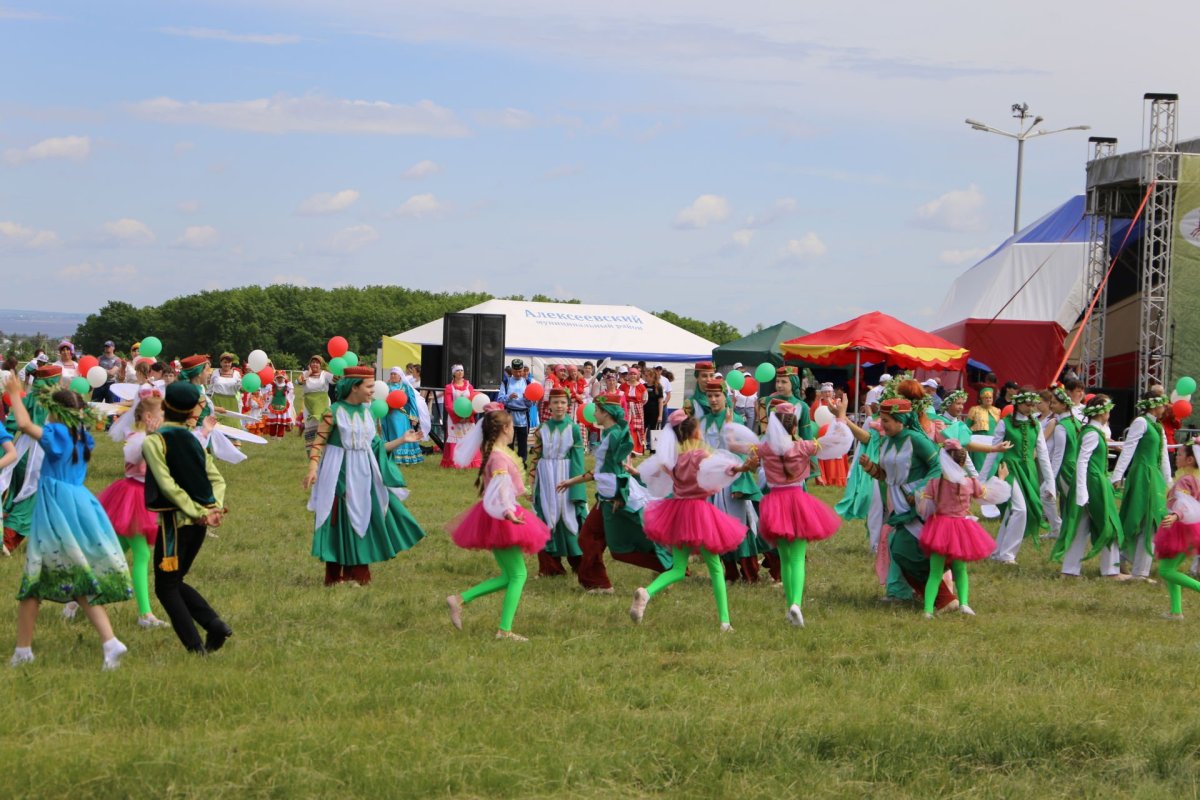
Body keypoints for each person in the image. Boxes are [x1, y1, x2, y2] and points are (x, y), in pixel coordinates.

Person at [5, 373, 132, 669]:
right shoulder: (82, 436)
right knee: (74, 578)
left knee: (36, 577)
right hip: (76, 504)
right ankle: (109, 643)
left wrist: (14, 394)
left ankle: (24, 652)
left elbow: (24, 425)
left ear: (56, 412)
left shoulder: (59, 435)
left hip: (57, 509)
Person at [630, 410, 759, 632]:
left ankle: (647, 592)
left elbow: (656, 474)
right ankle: (725, 622)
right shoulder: (699, 454)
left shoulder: (675, 458)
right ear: (695, 433)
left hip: (678, 513)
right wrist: (742, 468)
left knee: (679, 569)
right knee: (716, 568)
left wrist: (634, 470)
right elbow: (721, 468)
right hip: (699, 513)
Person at [304, 366, 427, 587]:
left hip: (364, 472)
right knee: (338, 519)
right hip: (337, 470)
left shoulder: (368, 412)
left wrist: (402, 440)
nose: (373, 391)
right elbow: (318, 443)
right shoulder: (333, 411)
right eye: (369, 386)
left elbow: (376, 447)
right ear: (355, 387)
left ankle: (358, 573)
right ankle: (334, 575)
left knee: (363, 517)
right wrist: (313, 468)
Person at [446, 405, 551, 642]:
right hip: (501, 516)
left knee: (510, 575)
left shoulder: (496, 452)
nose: (514, 430)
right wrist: (508, 512)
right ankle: (504, 630)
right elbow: (500, 487)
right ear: (505, 428)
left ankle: (460, 600)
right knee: (518, 576)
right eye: (512, 426)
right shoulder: (498, 457)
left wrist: (523, 493)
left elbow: (507, 485)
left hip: (498, 513)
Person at [559, 392, 670, 593]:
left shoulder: (615, 435)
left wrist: (618, 495)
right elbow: (602, 470)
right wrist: (572, 481)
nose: (594, 413)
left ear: (606, 412)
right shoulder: (610, 434)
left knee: (620, 548)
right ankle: (597, 583)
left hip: (613, 498)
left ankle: (668, 567)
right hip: (607, 497)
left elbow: (616, 471)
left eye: (598, 410)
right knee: (591, 539)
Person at [859, 396, 959, 613]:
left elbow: (937, 466)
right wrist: (870, 468)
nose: (882, 425)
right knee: (903, 549)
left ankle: (943, 597)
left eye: (886, 420)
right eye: (881, 420)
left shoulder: (916, 439)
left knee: (905, 549)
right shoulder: (887, 441)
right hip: (899, 502)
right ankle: (939, 597)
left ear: (900, 420)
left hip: (920, 504)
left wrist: (921, 490)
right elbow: (889, 476)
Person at [757, 403, 841, 626]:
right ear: (794, 428)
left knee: (784, 557)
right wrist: (840, 417)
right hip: (797, 501)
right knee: (797, 558)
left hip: (774, 503)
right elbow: (835, 440)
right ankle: (796, 604)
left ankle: (789, 607)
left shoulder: (766, 449)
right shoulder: (804, 446)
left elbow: (743, 448)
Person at [97, 391, 169, 629]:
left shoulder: (149, 435)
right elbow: (134, 455)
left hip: (142, 497)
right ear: (148, 416)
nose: (164, 419)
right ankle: (145, 614)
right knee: (142, 555)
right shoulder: (137, 437)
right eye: (161, 415)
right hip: (133, 497)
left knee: (114, 552)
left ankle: (80, 597)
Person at [916, 440, 1010, 619]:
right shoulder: (969, 483)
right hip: (961, 528)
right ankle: (964, 603)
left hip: (940, 529)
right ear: (962, 462)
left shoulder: (935, 483)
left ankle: (928, 610)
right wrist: (1001, 478)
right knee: (960, 570)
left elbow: (924, 508)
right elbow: (987, 496)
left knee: (935, 572)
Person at [1052, 395, 1126, 579]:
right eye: (1108, 409)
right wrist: (1083, 491)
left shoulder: (1094, 431)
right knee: (1109, 524)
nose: (1109, 413)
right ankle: (1111, 571)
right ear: (1102, 413)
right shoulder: (1092, 433)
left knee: (1081, 526)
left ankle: (1069, 570)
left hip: (1093, 481)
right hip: (1093, 483)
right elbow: (1082, 461)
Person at [980, 387, 1056, 565]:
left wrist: (1050, 483)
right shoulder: (1004, 423)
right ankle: (1007, 555)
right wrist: (980, 480)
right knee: (1020, 509)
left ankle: (998, 551)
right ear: (1017, 403)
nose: (1030, 407)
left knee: (1013, 512)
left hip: (1028, 471)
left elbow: (1043, 455)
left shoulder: (1035, 424)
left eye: (1032, 404)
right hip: (1009, 469)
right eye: (1026, 404)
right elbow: (992, 452)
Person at [698, 379, 764, 582]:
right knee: (717, 526)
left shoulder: (735, 419)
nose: (713, 400)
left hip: (733, 477)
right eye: (709, 396)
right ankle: (730, 572)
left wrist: (740, 482)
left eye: (717, 395)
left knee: (739, 523)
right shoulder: (704, 421)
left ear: (725, 397)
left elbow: (742, 452)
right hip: (713, 480)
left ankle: (750, 573)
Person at [2, 363, 63, 556]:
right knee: (29, 498)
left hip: (20, 452)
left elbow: (11, 423)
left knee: (16, 492)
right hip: (38, 456)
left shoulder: (29, 397)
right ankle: (7, 541)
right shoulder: (58, 401)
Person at [1111, 393, 1172, 582]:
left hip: (1154, 477)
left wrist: (1169, 483)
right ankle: (1130, 565)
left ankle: (1137, 568)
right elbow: (1129, 448)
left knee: (1153, 520)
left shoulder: (1158, 427)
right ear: (1154, 405)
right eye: (1162, 403)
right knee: (1137, 517)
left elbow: (1163, 457)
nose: (1165, 407)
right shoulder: (1141, 422)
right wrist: (1117, 474)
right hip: (1141, 475)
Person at [528, 388, 586, 577]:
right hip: (545, 477)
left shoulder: (574, 428)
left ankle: (580, 564)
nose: (559, 406)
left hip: (566, 476)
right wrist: (531, 483)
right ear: (549, 405)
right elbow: (535, 457)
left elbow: (578, 459)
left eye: (562, 402)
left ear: (568, 405)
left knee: (568, 517)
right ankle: (550, 567)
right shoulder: (541, 429)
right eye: (555, 402)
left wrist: (576, 487)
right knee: (545, 515)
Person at [1155, 437, 1200, 619]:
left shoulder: (1185, 481)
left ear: (1190, 459)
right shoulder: (1194, 478)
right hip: (1191, 528)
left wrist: (1175, 515)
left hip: (1181, 529)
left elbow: (1185, 505)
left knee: (1165, 571)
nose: (1176, 456)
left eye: (1179, 454)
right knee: (1170, 568)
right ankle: (1176, 612)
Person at [382, 367, 423, 465]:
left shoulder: (405, 387)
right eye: (391, 374)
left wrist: (414, 417)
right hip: (388, 415)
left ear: (400, 376)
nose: (393, 376)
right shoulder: (386, 386)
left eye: (395, 374)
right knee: (390, 434)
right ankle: (391, 455)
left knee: (400, 433)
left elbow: (412, 402)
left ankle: (403, 457)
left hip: (401, 416)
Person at [442, 365, 481, 469]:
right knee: (456, 439)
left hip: (468, 418)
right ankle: (455, 462)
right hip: (455, 419)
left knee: (469, 439)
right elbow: (448, 405)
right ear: (453, 373)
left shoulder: (469, 386)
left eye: (461, 370)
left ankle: (470, 462)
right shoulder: (449, 388)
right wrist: (458, 417)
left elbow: (473, 400)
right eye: (457, 370)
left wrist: (469, 415)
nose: (460, 372)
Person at [301, 356, 333, 455]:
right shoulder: (305, 374)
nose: (315, 364)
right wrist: (309, 373)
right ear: (310, 364)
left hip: (323, 403)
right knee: (310, 428)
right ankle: (312, 453)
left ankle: (325, 452)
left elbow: (335, 380)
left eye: (317, 362)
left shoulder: (325, 374)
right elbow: (299, 381)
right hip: (309, 405)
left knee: (323, 427)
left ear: (321, 364)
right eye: (313, 362)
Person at [966, 386, 1000, 472]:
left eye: (990, 397)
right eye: (986, 397)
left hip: (993, 442)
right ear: (981, 399)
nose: (988, 399)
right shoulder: (974, 410)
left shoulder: (997, 411)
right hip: (978, 442)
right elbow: (967, 426)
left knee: (992, 465)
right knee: (979, 466)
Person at [621, 367, 648, 455]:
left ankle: (637, 449)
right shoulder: (624, 386)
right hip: (626, 408)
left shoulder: (641, 386)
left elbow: (645, 399)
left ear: (637, 376)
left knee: (637, 428)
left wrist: (637, 405)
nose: (633, 375)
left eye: (634, 374)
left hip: (637, 409)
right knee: (626, 426)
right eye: (631, 374)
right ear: (628, 375)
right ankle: (626, 447)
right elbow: (620, 397)